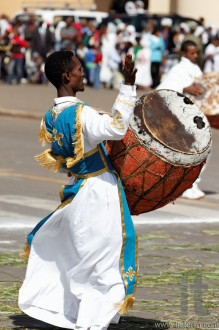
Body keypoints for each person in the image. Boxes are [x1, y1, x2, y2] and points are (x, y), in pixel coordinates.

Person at [18, 50, 138, 330]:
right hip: (97, 192)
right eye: (79, 69)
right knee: (104, 258)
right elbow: (118, 128)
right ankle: (91, 322)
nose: (83, 72)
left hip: (77, 190)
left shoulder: (49, 117)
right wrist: (128, 86)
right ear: (66, 77)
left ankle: (85, 314)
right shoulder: (82, 114)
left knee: (86, 255)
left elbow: (61, 163)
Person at [157, 40, 205, 199]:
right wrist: (185, 88)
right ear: (184, 54)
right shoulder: (177, 69)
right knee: (189, 151)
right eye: (192, 53)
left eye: (197, 53)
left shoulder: (196, 68)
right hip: (180, 116)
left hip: (195, 116)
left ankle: (193, 183)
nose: (196, 55)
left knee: (202, 151)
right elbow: (163, 89)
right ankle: (185, 185)